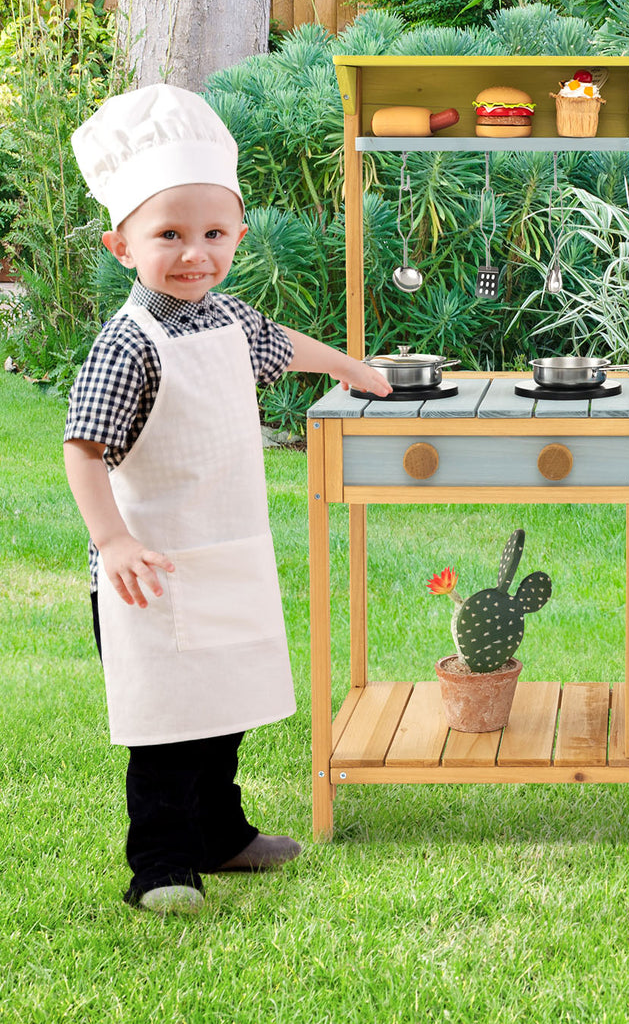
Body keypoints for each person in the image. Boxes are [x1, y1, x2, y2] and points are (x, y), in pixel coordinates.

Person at [63, 84, 392, 915]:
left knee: (224, 713)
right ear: (120, 243)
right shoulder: (126, 343)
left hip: (229, 553)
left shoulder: (228, 320)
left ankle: (224, 834)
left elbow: (286, 346)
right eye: (168, 235)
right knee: (169, 728)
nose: (193, 253)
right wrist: (114, 544)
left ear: (238, 235)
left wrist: (353, 369)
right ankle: (161, 866)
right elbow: (84, 450)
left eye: (213, 234)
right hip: (151, 569)